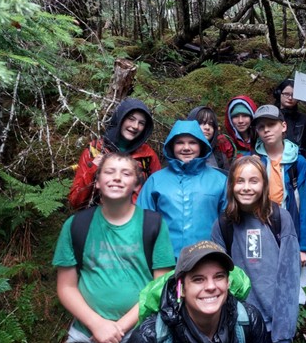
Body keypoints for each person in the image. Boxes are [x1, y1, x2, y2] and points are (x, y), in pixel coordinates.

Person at [53, 152, 175, 343]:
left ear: (137, 184)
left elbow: (160, 286)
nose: (117, 178)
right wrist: (96, 324)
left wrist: (119, 327)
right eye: (109, 172)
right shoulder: (77, 225)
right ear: (97, 182)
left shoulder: (153, 224)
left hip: (139, 334)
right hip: (88, 335)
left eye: (126, 173)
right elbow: (66, 286)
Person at [115, 240, 269, 343]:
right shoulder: (148, 339)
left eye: (219, 276)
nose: (210, 286)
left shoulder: (248, 323)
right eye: (198, 279)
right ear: (180, 288)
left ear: (228, 282)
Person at [211, 156, 301, 343]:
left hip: (274, 326)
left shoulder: (280, 218)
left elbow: (290, 278)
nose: (246, 187)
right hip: (238, 325)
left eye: (253, 180)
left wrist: (283, 331)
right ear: (231, 185)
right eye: (240, 181)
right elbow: (218, 277)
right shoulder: (223, 224)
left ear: (263, 184)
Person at [137, 120, 227, 259]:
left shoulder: (219, 180)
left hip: (209, 260)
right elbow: (141, 223)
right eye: (180, 142)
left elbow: (229, 224)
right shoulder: (156, 181)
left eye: (192, 142)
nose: (186, 148)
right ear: (172, 145)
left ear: (201, 145)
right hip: (166, 262)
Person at [69, 98, 161, 210]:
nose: (135, 126)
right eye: (131, 119)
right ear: (120, 119)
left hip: (136, 223)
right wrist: (93, 168)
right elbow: (75, 201)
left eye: (141, 123)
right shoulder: (94, 151)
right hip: (100, 222)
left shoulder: (148, 156)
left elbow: (158, 197)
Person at [251, 104, 306, 266]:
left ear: (283, 126)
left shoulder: (297, 162)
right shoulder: (253, 161)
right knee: (259, 271)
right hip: (258, 226)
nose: (266, 130)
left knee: (288, 273)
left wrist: (303, 247)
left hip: (287, 226)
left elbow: (303, 204)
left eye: (271, 124)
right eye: (261, 127)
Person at [273, 79, 306, 160]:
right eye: (286, 94)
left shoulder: (303, 119)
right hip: (275, 160)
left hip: (298, 162)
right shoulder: (272, 117)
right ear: (279, 94)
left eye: (294, 95)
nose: (290, 98)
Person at [187, 105, 230, 172]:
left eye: (210, 124)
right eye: (201, 123)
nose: (207, 127)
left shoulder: (219, 156)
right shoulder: (180, 153)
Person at [217, 95, 258, 164]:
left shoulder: (262, 140)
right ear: (230, 119)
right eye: (235, 116)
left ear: (252, 117)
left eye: (245, 115)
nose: (240, 121)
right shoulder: (223, 142)